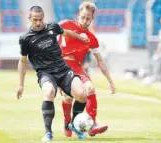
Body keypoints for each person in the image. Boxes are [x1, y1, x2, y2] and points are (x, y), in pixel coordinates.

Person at [16, 6, 90, 141]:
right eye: (35, 20)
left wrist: (81, 37)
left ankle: (73, 124)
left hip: (63, 69)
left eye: (40, 19)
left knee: (82, 94)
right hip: (45, 73)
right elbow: (22, 61)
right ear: (29, 19)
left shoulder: (52, 27)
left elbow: (67, 33)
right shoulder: (25, 38)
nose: (38, 23)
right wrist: (21, 85)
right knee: (49, 92)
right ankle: (48, 132)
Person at [58, 1, 115, 138]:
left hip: (77, 67)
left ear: (92, 19)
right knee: (67, 98)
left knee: (90, 88)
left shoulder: (91, 38)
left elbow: (100, 60)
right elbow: (50, 29)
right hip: (61, 66)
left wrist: (110, 81)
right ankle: (67, 121)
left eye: (88, 18)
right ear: (78, 15)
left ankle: (93, 124)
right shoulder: (66, 24)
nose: (85, 20)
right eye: (82, 17)